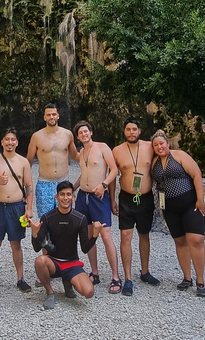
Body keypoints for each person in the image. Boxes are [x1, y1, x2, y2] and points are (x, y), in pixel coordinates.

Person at [150, 129, 205, 297]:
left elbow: (196, 174)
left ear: (168, 143)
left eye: (162, 143)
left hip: (190, 203)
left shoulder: (179, 156)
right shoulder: (155, 162)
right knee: (180, 241)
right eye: (156, 145)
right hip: (169, 207)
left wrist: (200, 199)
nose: (159, 147)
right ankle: (187, 277)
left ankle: (200, 280)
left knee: (196, 240)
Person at [29, 181, 103, 310]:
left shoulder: (80, 218)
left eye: (68, 194)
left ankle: (68, 282)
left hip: (72, 263)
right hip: (54, 262)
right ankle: (50, 292)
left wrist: (95, 235)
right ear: (57, 197)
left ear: (73, 197)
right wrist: (34, 234)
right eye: (62, 194)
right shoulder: (47, 218)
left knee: (89, 292)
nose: (65, 198)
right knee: (40, 261)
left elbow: (85, 249)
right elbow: (37, 248)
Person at [0, 128, 34, 294]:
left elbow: (28, 186)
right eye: (7, 139)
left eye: (13, 139)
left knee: (16, 244)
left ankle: (20, 278)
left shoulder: (23, 162)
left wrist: (29, 209)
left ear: (16, 142)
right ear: (2, 142)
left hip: (16, 207)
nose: (10, 142)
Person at [111, 118, 160, 296]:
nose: (131, 132)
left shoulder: (149, 147)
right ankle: (128, 278)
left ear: (139, 131)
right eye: (128, 129)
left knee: (144, 235)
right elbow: (112, 175)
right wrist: (112, 200)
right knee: (125, 235)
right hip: (126, 199)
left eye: (134, 129)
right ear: (124, 132)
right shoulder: (117, 151)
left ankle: (145, 272)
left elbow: (163, 160)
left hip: (145, 198)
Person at [72, 120, 122, 293]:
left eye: (86, 131)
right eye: (80, 133)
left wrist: (104, 185)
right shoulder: (81, 152)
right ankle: (95, 273)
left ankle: (116, 276)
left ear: (91, 132)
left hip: (99, 196)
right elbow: (83, 174)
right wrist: (72, 188)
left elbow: (114, 170)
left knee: (106, 236)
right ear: (78, 137)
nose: (84, 134)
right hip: (82, 197)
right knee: (88, 235)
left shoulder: (102, 147)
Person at [26, 103, 79, 219]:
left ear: (58, 116)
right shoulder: (37, 136)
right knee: (45, 220)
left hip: (63, 181)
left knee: (66, 219)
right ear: (44, 117)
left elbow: (75, 156)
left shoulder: (67, 134)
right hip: (44, 183)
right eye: (48, 115)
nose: (52, 117)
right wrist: (22, 184)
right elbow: (27, 162)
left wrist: (92, 155)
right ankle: (46, 238)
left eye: (54, 114)